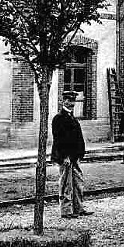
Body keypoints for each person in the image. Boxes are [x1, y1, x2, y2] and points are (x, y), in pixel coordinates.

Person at [51, 91, 93, 219]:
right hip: (66, 158)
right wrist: (65, 157)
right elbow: (59, 140)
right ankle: (66, 210)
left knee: (78, 183)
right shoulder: (59, 118)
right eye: (69, 100)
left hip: (74, 157)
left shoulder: (72, 118)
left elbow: (77, 138)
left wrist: (80, 153)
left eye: (73, 101)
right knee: (66, 184)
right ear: (63, 101)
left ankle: (79, 208)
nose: (71, 103)